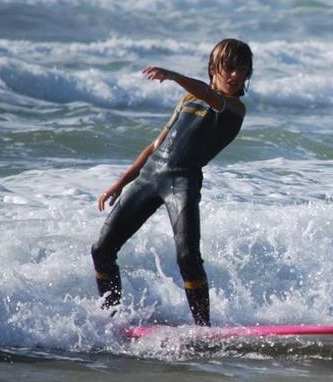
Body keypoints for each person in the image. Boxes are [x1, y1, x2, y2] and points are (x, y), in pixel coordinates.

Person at [91, 38, 253, 326]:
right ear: (213, 67)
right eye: (228, 68)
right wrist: (120, 183)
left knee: (188, 257)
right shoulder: (188, 99)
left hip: (183, 180)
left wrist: (175, 76)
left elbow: (209, 96)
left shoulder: (233, 109)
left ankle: (204, 329)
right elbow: (155, 146)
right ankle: (111, 319)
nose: (235, 75)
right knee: (102, 250)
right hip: (149, 177)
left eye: (241, 69)